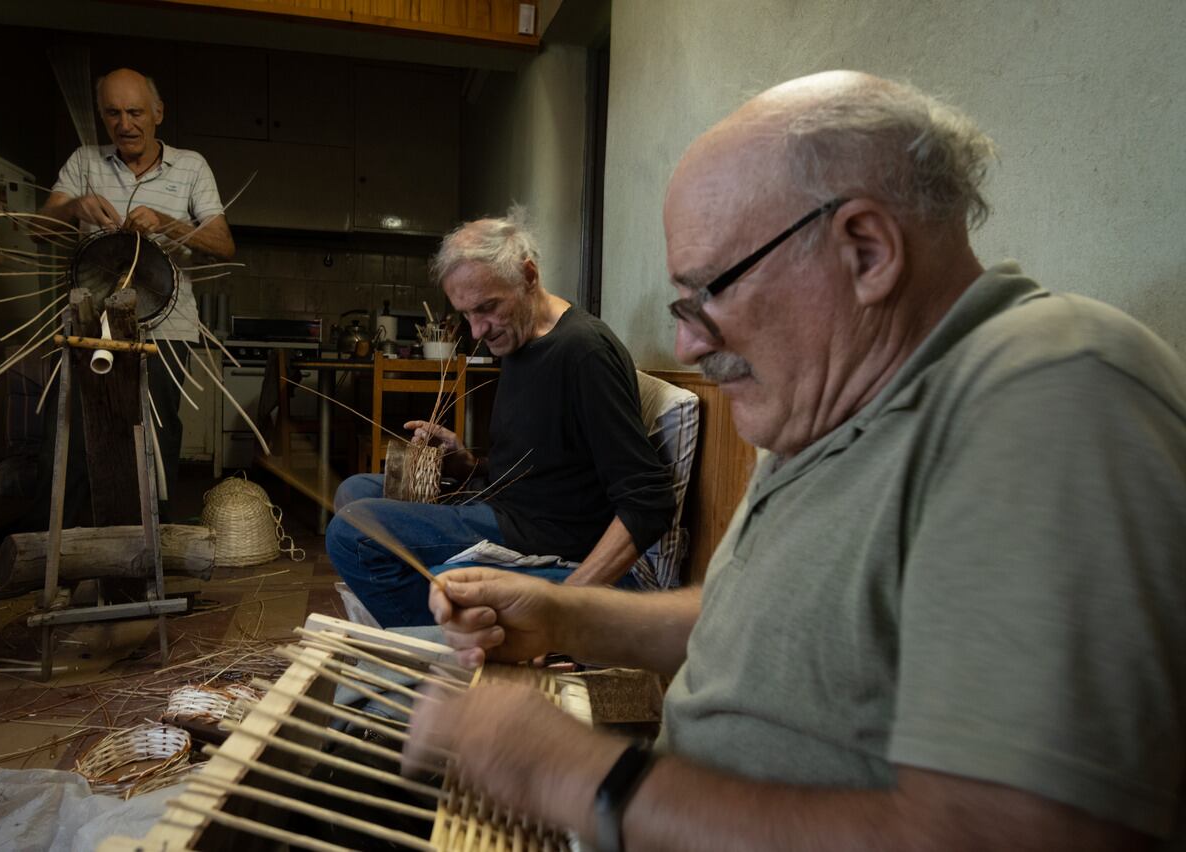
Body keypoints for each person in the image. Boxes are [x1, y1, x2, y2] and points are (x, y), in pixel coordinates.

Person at [402, 72, 1186, 850]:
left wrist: (579, 778)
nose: (687, 343)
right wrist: (570, 615)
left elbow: (1012, 835)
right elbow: (757, 621)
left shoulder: (1053, 396)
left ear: (867, 251)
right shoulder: (827, 403)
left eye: (708, 291)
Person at [325, 208, 676, 627]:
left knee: (352, 536)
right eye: (466, 313)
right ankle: (443, 613)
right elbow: (550, 465)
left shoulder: (584, 352)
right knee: (354, 490)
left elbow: (648, 500)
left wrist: (566, 607)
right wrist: (469, 464)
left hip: (544, 534)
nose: (476, 330)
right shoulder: (517, 339)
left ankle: (450, 648)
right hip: (504, 503)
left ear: (528, 277)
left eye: (487, 307)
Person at [37, 67, 235, 521]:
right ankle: (64, 549)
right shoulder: (84, 162)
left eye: (135, 112)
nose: (124, 124)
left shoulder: (191, 166)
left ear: (158, 113)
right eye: (112, 113)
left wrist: (168, 222)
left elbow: (223, 245)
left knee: (152, 439)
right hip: (89, 327)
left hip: (166, 329)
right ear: (102, 116)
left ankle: (150, 548)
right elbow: (37, 230)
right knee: (72, 434)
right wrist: (72, 207)